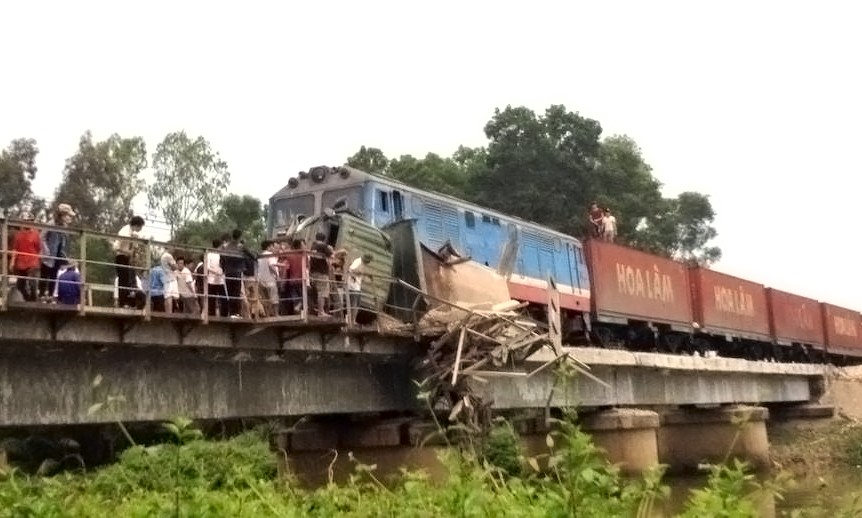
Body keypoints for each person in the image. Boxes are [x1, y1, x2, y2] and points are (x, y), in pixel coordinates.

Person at [39, 203, 75, 302]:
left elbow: (65, 242)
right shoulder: (51, 224)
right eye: (67, 215)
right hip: (48, 254)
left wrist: (65, 256)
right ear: (62, 215)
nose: (69, 218)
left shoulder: (64, 226)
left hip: (58, 255)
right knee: (44, 274)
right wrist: (45, 250)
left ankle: (50, 295)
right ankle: (41, 295)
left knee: (53, 275)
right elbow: (42, 237)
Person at [113, 215, 145, 308]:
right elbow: (115, 247)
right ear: (136, 225)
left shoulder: (133, 233)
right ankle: (123, 302)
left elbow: (135, 246)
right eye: (140, 227)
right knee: (123, 280)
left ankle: (130, 300)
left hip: (128, 258)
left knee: (130, 279)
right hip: (121, 257)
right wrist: (126, 251)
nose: (140, 229)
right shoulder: (125, 232)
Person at [9, 212, 42, 302]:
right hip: (21, 262)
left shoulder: (35, 234)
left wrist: (38, 259)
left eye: (29, 221)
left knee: (32, 283)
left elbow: (39, 248)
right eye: (25, 221)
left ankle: (34, 299)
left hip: (32, 262)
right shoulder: (18, 235)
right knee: (20, 285)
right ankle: (27, 299)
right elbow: (15, 249)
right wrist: (12, 262)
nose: (27, 223)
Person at [308, 233, 334, 316]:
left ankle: (313, 310)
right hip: (322, 273)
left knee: (314, 292)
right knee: (322, 292)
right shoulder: (323, 246)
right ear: (324, 239)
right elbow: (331, 255)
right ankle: (321, 312)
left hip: (312, 272)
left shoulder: (313, 246)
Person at [347, 253, 373, 325]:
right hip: (353, 286)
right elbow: (350, 269)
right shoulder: (358, 262)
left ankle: (353, 320)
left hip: (357, 286)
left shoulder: (362, 263)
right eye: (369, 261)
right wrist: (354, 277)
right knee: (354, 303)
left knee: (357, 304)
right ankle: (351, 320)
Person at [206, 237, 228, 317]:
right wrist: (215, 272)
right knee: (212, 299)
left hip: (221, 280)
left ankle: (224, 315)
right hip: (212, 280)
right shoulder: (209, 254)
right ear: (219, 246)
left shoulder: (221, 255)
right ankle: (212, 314)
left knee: (224, 299)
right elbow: (207, 267)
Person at [257, 240, 279, 317]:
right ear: (268, 247)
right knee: (274, 298)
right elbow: (271, 266)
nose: (273, 248)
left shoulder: (260, 256)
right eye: (272, 246)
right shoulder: (270, 254)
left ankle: (268, 315)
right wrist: (277, 275)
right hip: (270, 280)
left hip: (261, 280)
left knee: (265, 299)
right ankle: (276, 315)